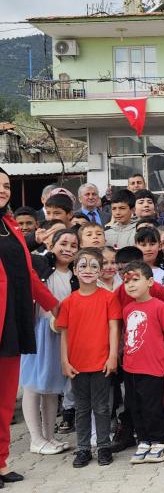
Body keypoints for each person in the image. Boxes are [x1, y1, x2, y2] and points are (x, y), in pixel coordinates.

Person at [0, 168, 61, 484]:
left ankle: (1, 462)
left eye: (6, 185)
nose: (2, 190)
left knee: (5, 398)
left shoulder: (10, 226)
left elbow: (29, 275)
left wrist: (56, 306)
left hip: (13, 319)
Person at [55, 247, 121, 467]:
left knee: (101, 407)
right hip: (77, 364)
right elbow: (64, 334)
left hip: (101, 362)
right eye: (82, 266)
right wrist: (64, 361)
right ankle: (83, 449)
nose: (88, 270)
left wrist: (112, 356)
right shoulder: (68, 302)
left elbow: (114, 328)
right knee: (81, 408)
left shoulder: (109, 298)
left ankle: (103, 446)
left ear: (100, 271)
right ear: (75, 270)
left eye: (94, 266)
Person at [21, 230, 77, 457]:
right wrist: (34, 239)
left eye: (73, 245)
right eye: (63, 243)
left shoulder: (75, 274)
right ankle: (36, 439)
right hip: (38, 330)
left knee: (52, 388)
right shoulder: (40, 263)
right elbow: (19, 254)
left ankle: (48, 436)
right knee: (33, 385)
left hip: (60, 333)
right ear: (51, 245)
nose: (68, 249)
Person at [120, 261, 164, 463]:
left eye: (135, 279)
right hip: (130, 367)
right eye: (126, 281)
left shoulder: (160, 306)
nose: (131, 285)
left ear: (150, 282)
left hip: (153, 367)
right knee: (135, 406)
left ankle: (159, 442)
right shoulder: (127, 309)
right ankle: (143, 440)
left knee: (152, 407)